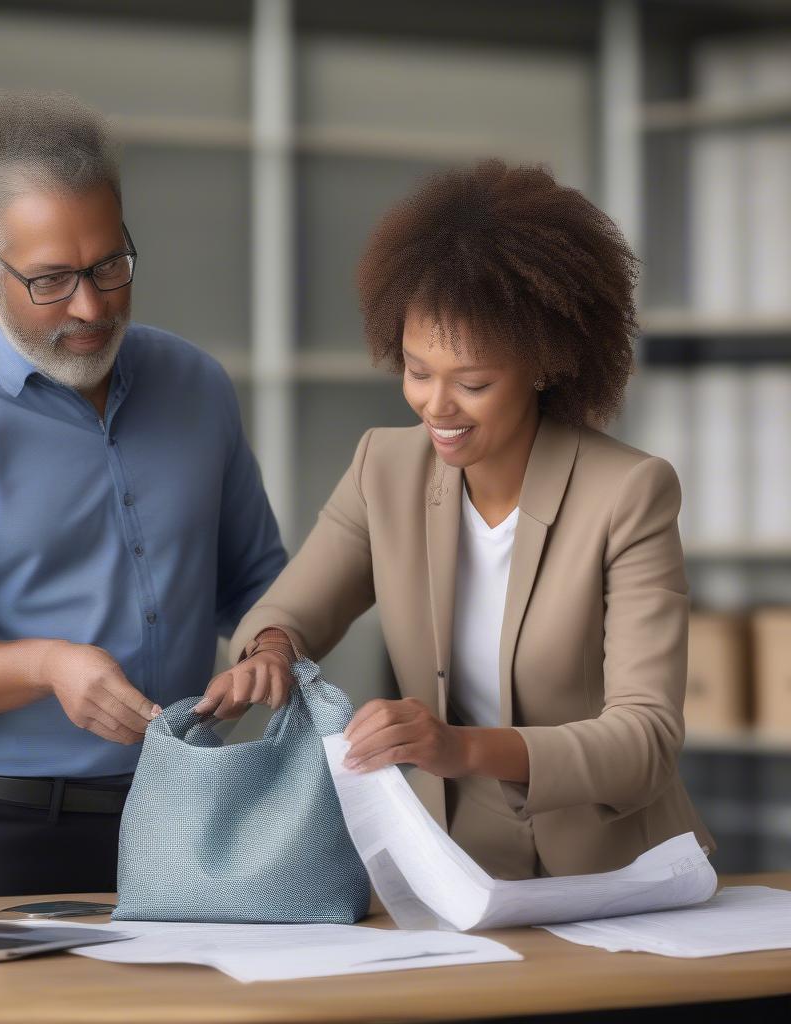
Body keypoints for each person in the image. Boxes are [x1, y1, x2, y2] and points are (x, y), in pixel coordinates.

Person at [197, 159, 715, 880]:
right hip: (455, 873)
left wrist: (461, 747)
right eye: (416, 370)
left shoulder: (628, 493)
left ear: (543, 364)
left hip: (614, 877)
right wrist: (271, 650)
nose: (436, 406)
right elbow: (290, 609)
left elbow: (645, 741)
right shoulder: (385, 468)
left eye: (472, 382)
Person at [0, 89, 286, 898]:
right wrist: (47, 666)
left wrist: (270, 649)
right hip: (7, 836)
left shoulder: (197, 386)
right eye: (50, 280)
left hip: (195, 817)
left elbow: (259, 579)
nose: (90, 307)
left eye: (110, 267)